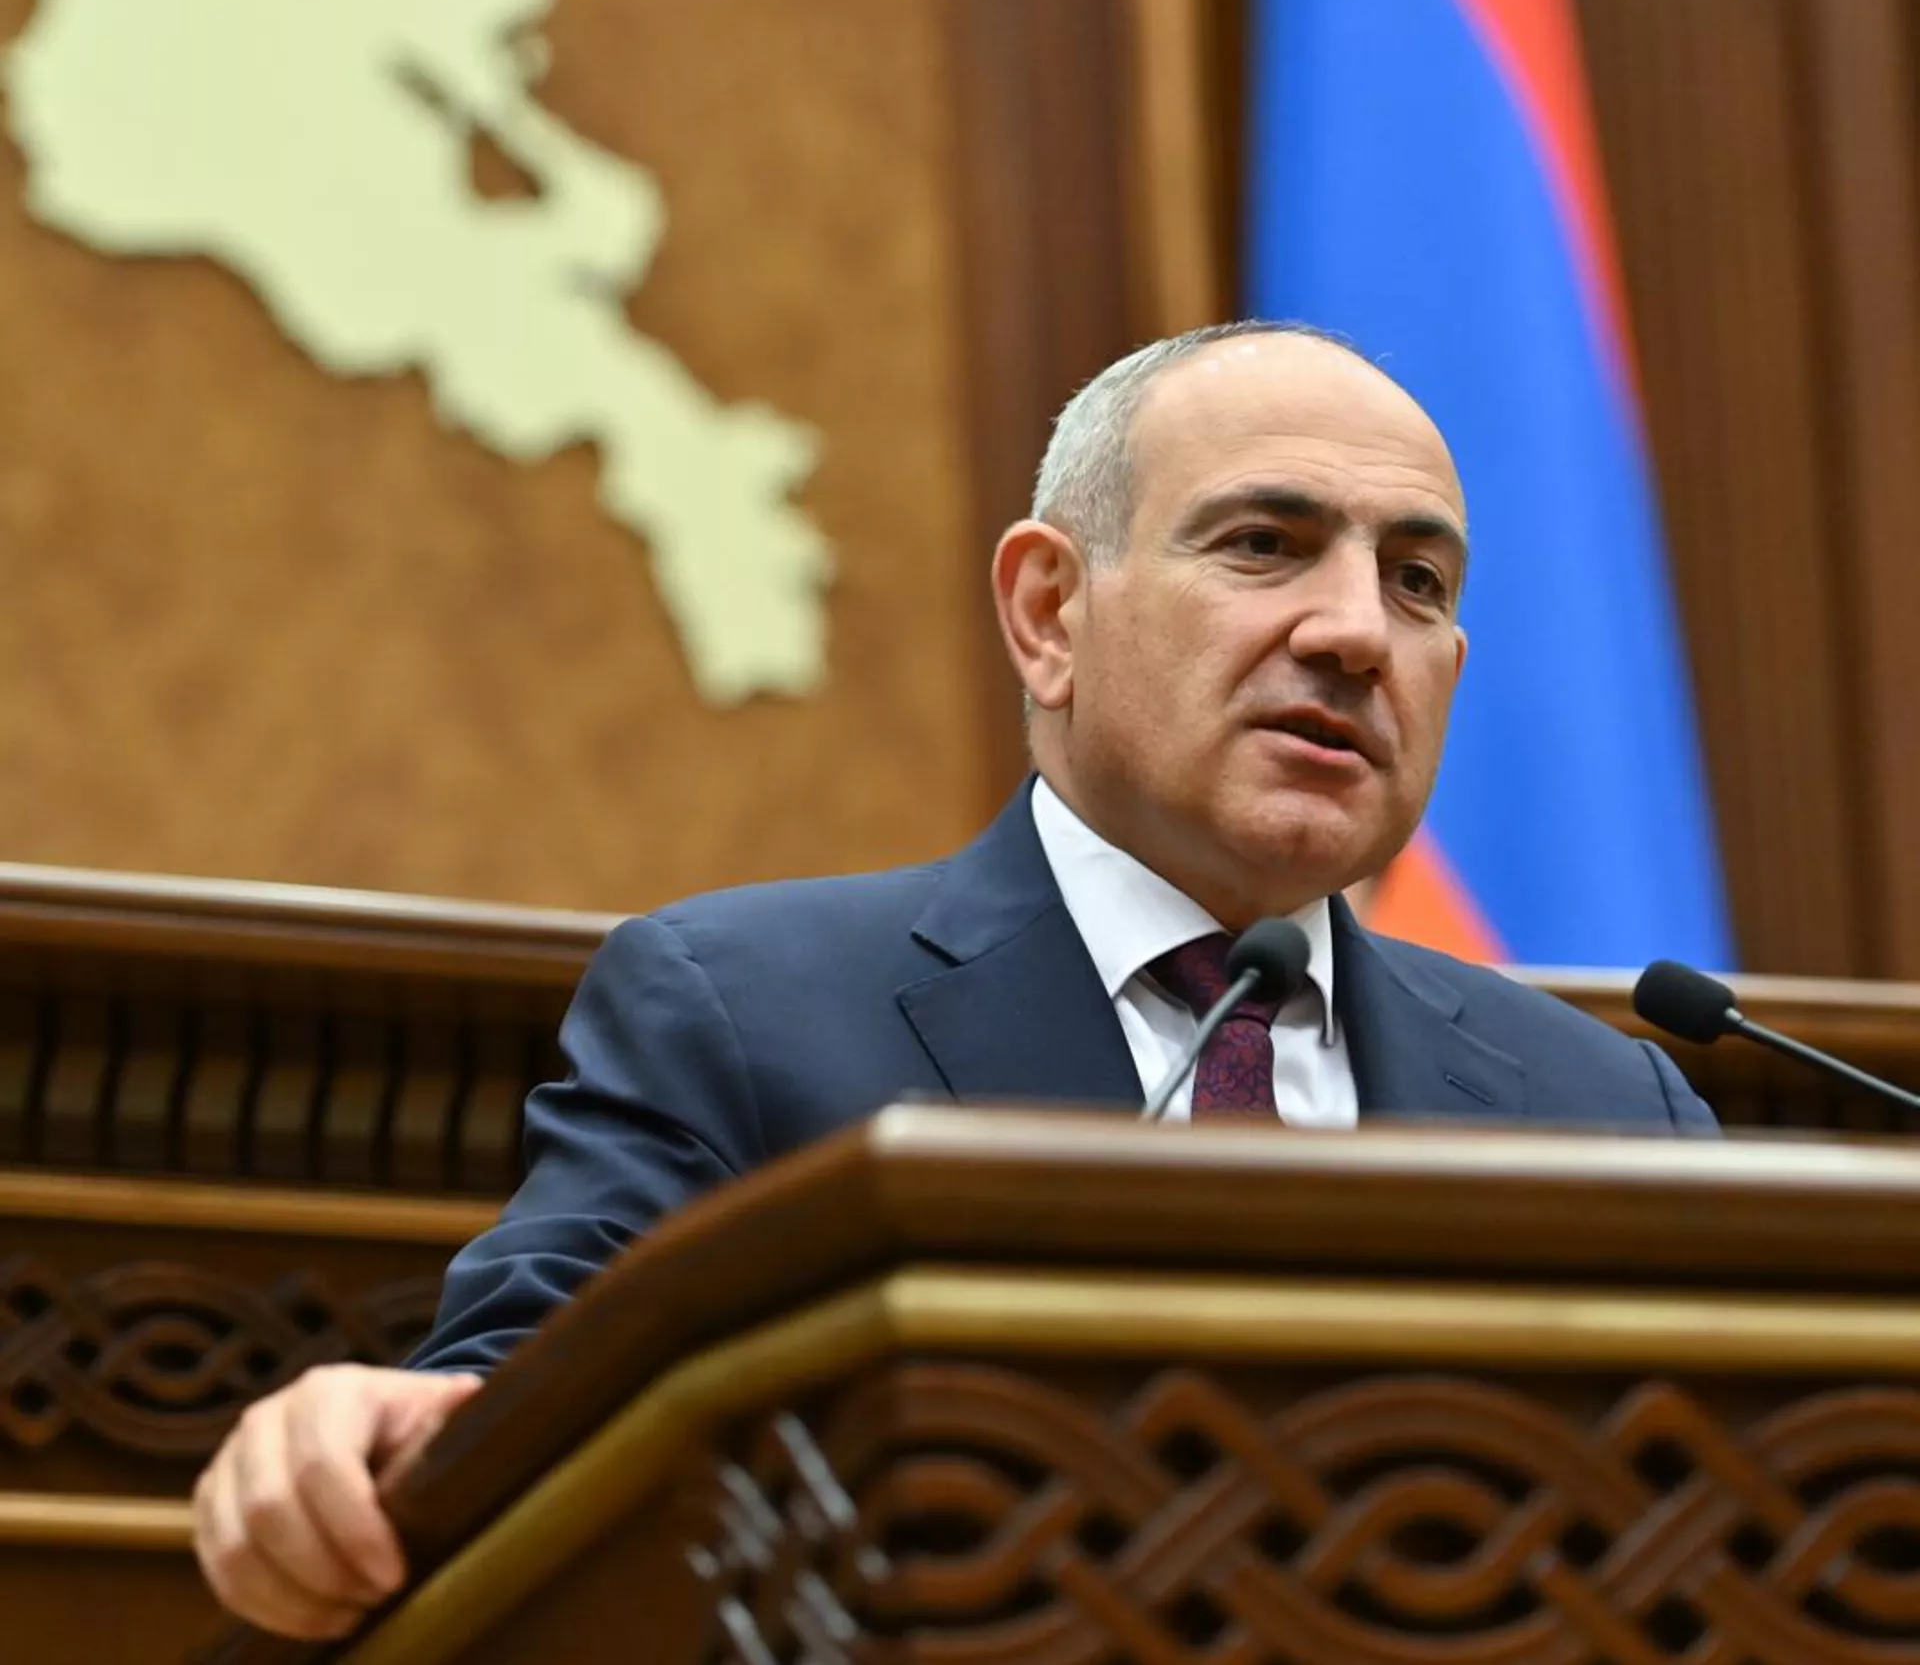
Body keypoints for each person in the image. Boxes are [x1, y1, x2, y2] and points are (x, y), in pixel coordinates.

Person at [192, 321, 1716, 1636]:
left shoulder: (1603, 1104)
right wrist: (381, 1437)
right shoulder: (742, 1008)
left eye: (1418, 580)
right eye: (1263, 544)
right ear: (1050, 612)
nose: (1355, 631)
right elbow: (520, 1407)